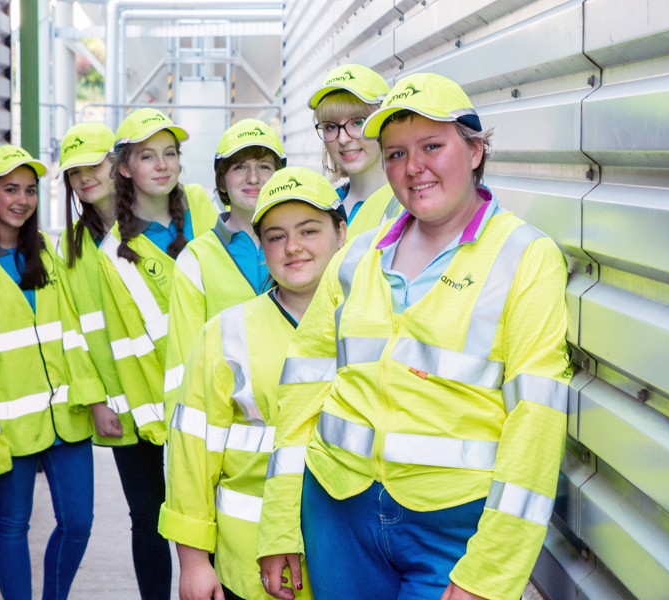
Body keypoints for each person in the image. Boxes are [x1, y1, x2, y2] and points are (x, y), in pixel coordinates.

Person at [258, 74, 571, 600]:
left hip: (453, 528)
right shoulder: (359, 255)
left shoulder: (525, 257)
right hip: (337, 511)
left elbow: (536, 421)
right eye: (397, 154)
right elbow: (302, 393)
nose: (413, 168)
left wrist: (491, 572)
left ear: (474, 150)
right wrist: (281, 522)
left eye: (432, 146)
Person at [159, 167, 347, 600]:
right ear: (261, 248)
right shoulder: (226, 334)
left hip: (351, 554)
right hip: (252, 559)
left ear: (341, 233)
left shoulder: (372, 325)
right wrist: (191, 561)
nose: (293, 247)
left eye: (309, 230)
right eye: (276, 236)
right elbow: (192, 451)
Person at [0, 145, 102, 600]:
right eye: (10, 189)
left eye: (30, 190)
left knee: (79, 523)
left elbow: (72, 335)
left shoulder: (48, 256)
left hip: (67, 418)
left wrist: (92, 398)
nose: (22, 199)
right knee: (12, 525)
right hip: (9, 430)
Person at [97, 108, 218, 599]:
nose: (162, 165)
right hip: (144, 404)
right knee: (148, 518)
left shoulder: (205, 214)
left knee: (209, 516)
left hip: (212, 389)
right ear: (125, 167)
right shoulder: (113, 250)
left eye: (170, 154)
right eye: (148, 156)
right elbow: (118, 339)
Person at [163, 119, 286, 428]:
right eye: (240, 167)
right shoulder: (196, 258)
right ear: (221, 181)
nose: (253, 177)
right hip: (229, 431)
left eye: (264, 166)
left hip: (299, 423)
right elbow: (184, 361)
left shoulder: (303, 247)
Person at [57, 122, 137, 446]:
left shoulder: (152, 226)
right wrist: (96, 403)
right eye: (74, 172)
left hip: (173, 391)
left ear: (118, 166)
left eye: (93, 165)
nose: (84, 177)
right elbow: (72, 329)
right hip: (121, 405)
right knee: (142, 499)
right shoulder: (70, 244)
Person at [309, 64, 400, 236]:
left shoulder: (406, 204)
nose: (343, 139)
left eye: (358, 122)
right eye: (330, 126)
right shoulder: (324, 203)